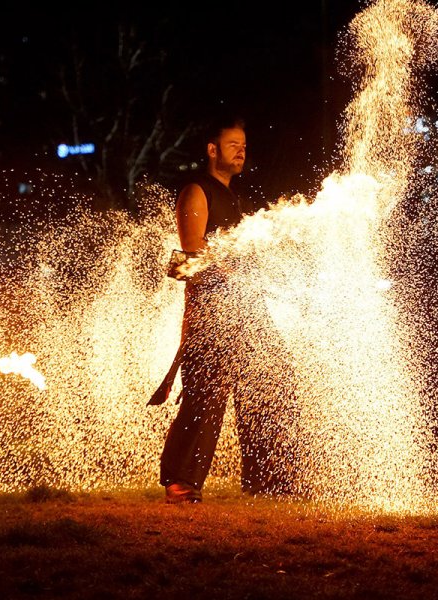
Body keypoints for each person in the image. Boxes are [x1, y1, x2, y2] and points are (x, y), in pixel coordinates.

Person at [157, 116, 288, 504]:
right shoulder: (197, 191)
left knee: (271, 381)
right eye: (233, 144)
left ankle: (267, 479)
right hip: (211, 309)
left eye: (244, 145)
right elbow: (193, 249)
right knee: (205, 394)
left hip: (246, 307)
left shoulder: (240, 200)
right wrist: (231, 266)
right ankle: (180, 481)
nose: (241, 150)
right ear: (212, 149)